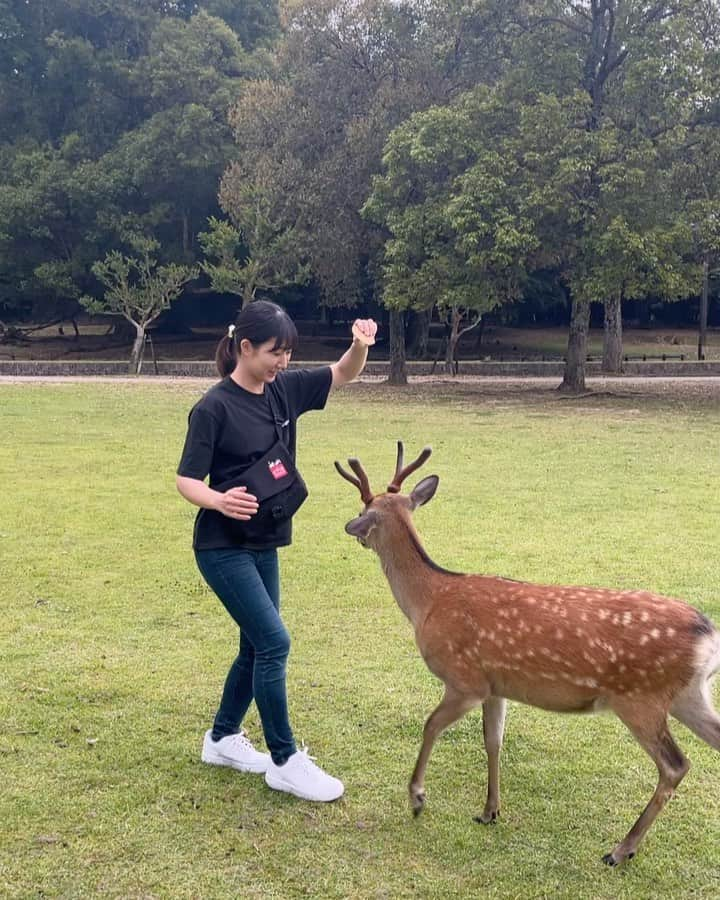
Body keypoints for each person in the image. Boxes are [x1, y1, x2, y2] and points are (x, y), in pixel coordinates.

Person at [176, 300, 377, 803]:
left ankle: (221, 739)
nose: (282, 362)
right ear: (244, 347)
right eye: (273, 352)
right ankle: (285, 760)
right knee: (274, 643)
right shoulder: (213, 407)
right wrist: (219, 499)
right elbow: (185, 480)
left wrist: (359, 345)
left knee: (255, 645)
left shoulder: (283, 390)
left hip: (266, 540)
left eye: (288, 352)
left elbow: (341, 375)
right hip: (222, 546)